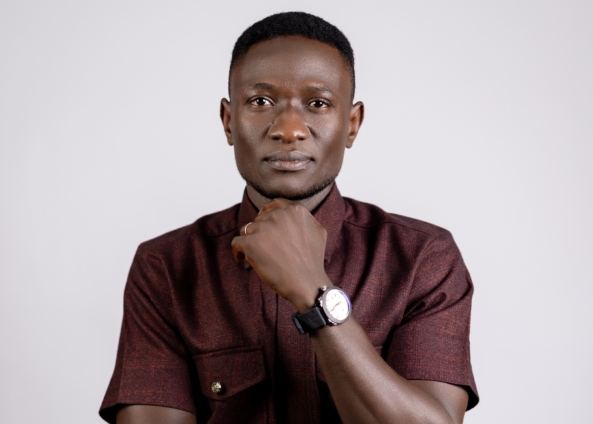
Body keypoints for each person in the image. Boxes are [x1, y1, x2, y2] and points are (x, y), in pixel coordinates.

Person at [100, 11, 479, 424]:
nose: (289, 129)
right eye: (260, 102)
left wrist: (313, 291)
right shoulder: (166, 267)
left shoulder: (423, 258)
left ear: (352, 124)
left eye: (318, 103)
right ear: (228, 121)